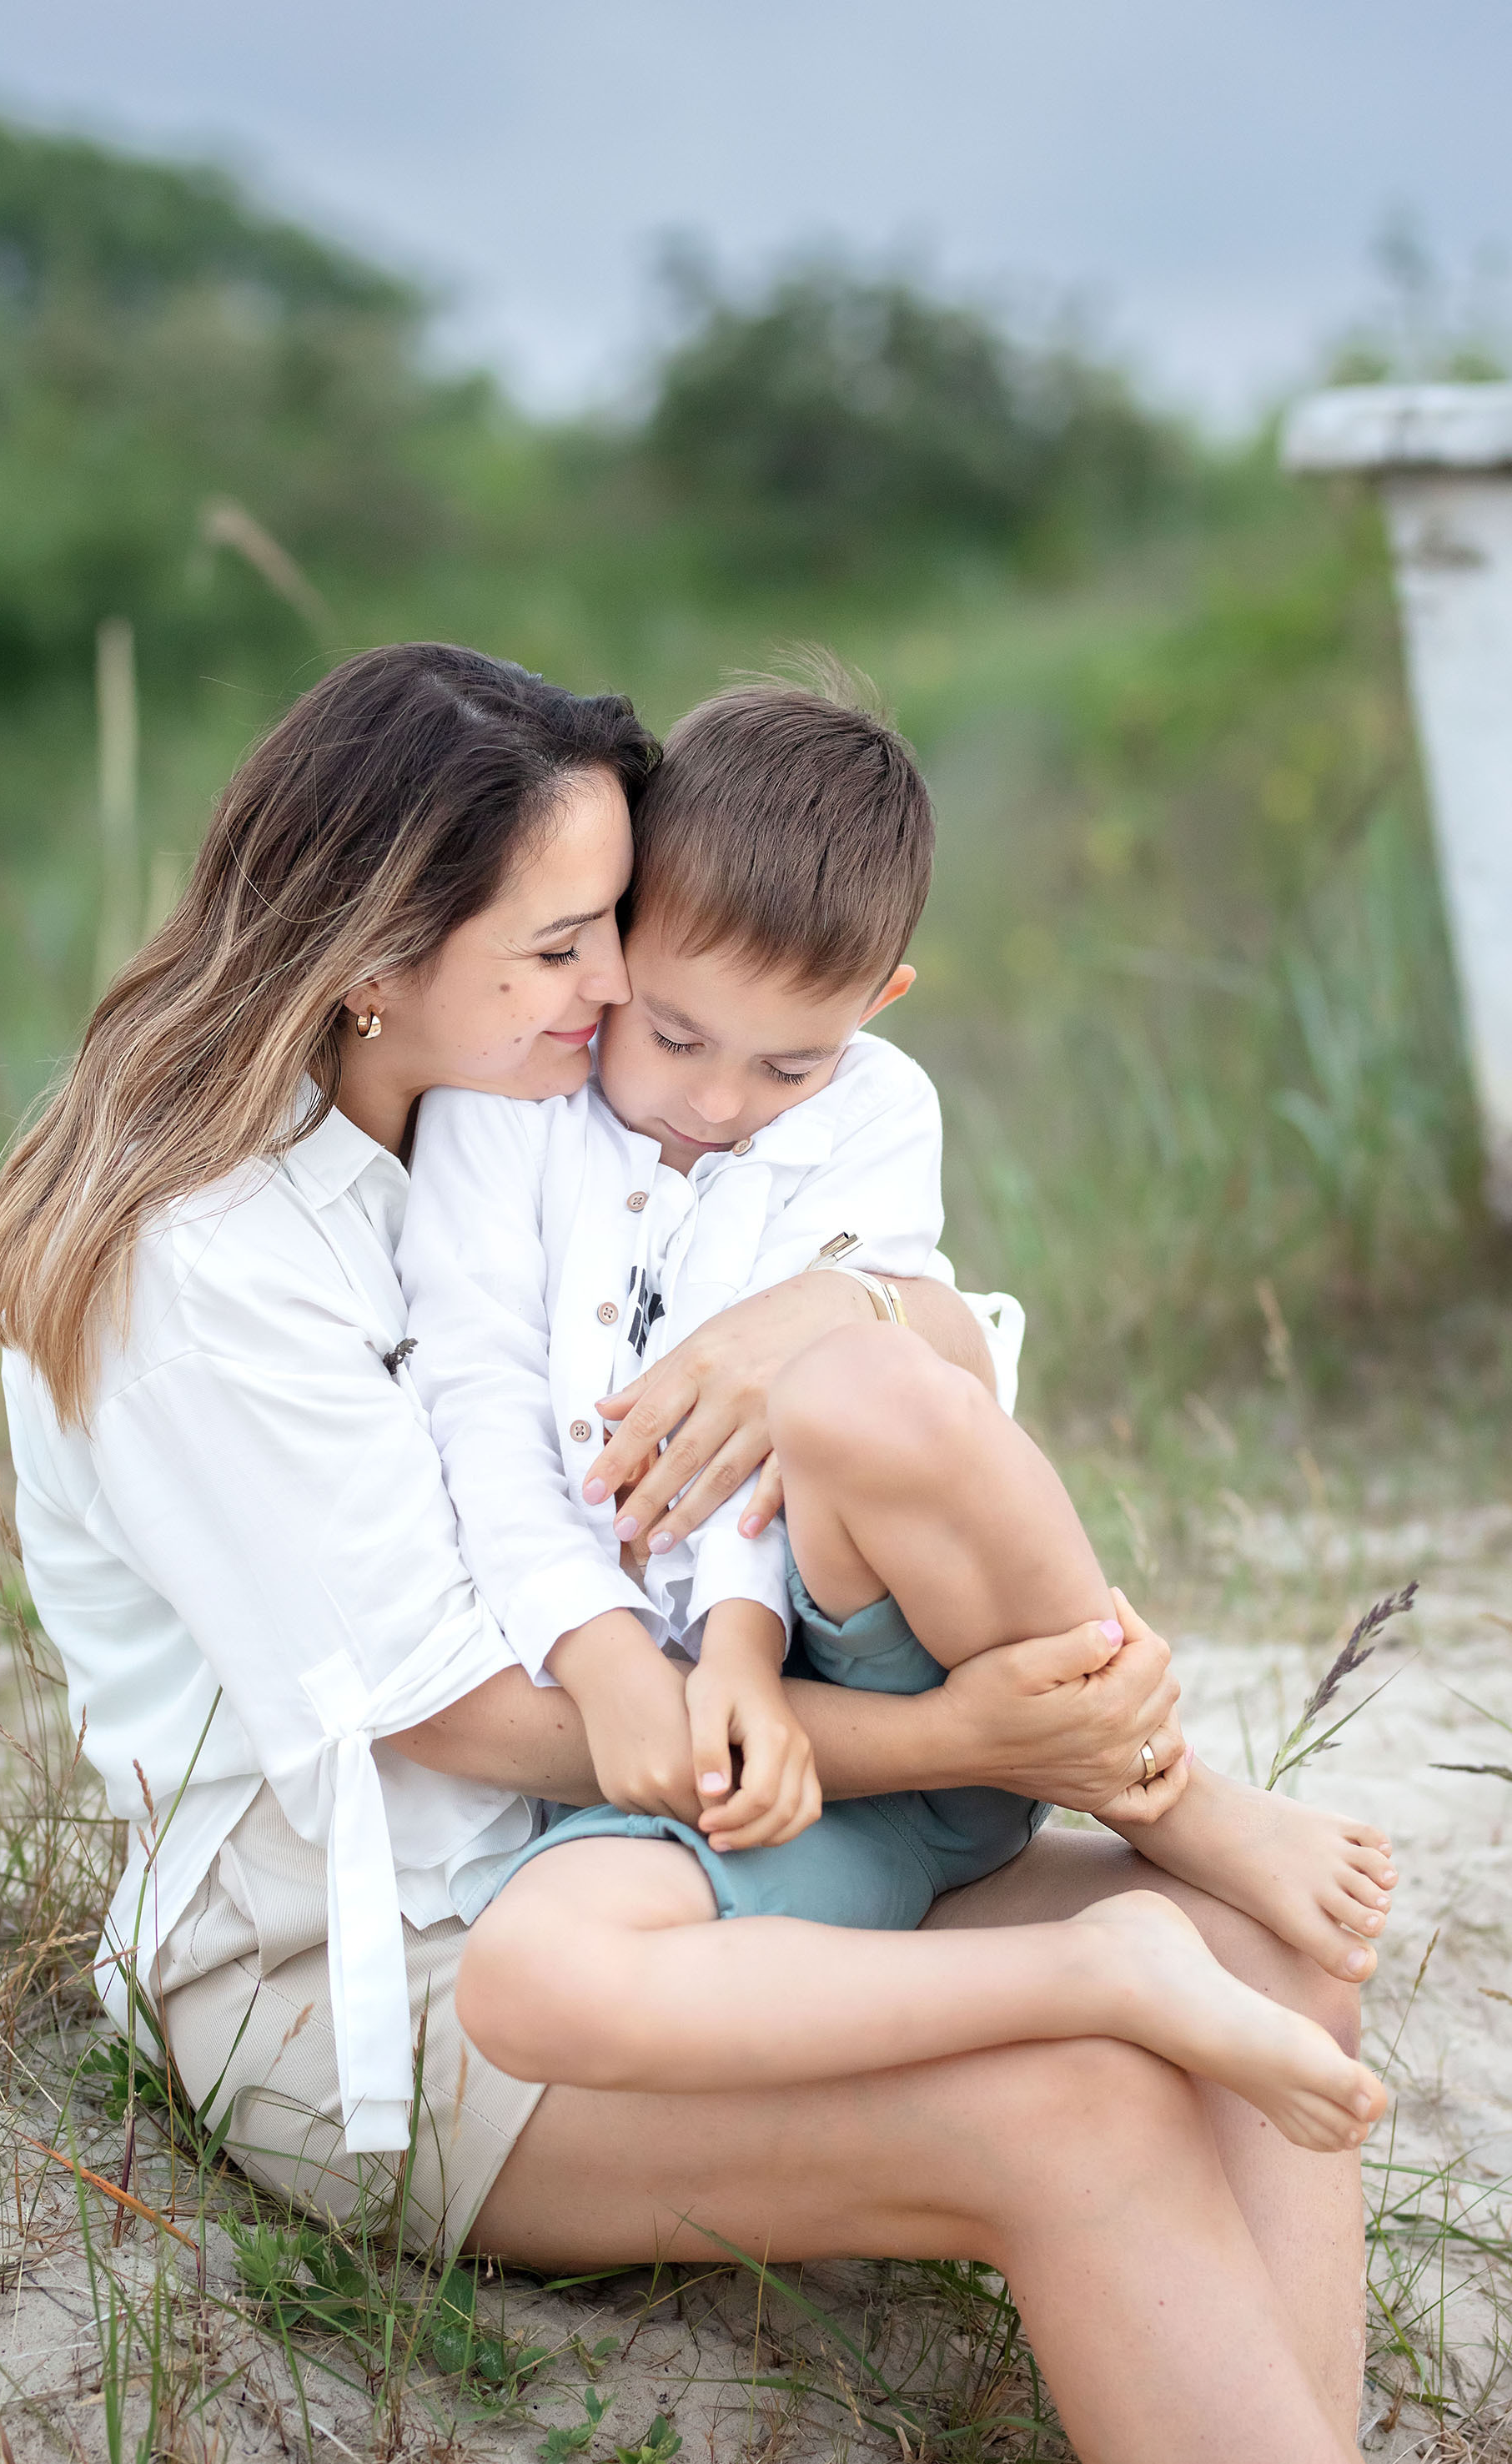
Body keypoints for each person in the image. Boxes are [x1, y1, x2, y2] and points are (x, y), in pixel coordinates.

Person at [0, 643, 1392, 2464]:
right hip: (384, 1975)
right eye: (566, 944)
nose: (616, 980)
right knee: (1079, 2110)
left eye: (614, 922)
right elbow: (464, 1715)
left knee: (1280, 1961)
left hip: (665, 1851)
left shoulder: (524, 1114)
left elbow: (935, 1359)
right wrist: (966, 1738)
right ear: (376, 957)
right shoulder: (208, 1263)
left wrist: (837, 1304)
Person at [402, 679, 1395, 2149]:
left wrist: (745, 1643)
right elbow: (486, 1428)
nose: (720, 1102)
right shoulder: (508, 1118)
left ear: (877, 1005)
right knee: (534, 1968)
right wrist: (641, 1664)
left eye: (786, 1063)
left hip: (878, 1659)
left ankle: (1157, 1793)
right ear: (617, 948)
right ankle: (1095, 1965)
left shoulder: (873, 1111)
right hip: (750, 1784)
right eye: (674, 1036)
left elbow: (795, 1441)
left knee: (861, 1370)